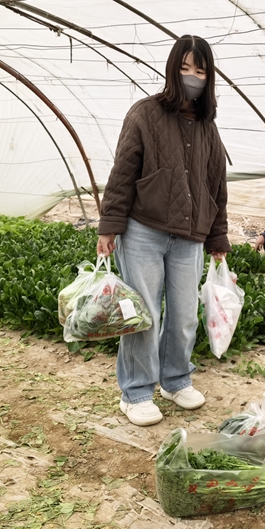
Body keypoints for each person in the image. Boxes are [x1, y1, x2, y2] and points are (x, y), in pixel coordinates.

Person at [96, 35, 230, 427]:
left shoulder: (207, 127)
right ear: (172, 69)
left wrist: (217, 236)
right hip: (144, 230)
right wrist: (110, 225)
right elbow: (123, 172)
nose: (192, 77)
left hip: (189, 237)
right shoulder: (145, 114)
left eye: (200, 71)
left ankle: (176, 380)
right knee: (145, 315)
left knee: (185, 315)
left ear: (209, 77)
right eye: (185, 68)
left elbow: (216, 185)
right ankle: (136, 392)